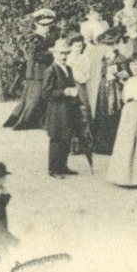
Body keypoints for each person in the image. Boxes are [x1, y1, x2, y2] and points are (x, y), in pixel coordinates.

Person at [4, 8, 58, 131]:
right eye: (43, 25)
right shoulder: (34, 38)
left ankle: (40, 121)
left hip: (45, 70)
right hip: (36, 71)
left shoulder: (48, 37)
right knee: (34, 97)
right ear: (36, 25)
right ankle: (24, 121)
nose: (47, 27)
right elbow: (35, 56)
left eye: (49, 25)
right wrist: (52, 53)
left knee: (42, 96)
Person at [107, 58, 137, 188]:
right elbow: (124, 96)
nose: (135, 67)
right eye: (132, 64)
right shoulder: (129, 80)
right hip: (128, 111)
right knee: (126, 142)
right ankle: (124, 176)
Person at [44, 39, 82, 178]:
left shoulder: (69, 68)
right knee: (56, 139)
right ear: (54, 54)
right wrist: (64, 92)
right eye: (60, 53)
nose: (64, 56)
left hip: (68, 109)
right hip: (56, 111)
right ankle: (53, 169)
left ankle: (63, 166)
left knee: (66, 137)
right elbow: (46, 93)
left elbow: (72, 86)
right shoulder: (51, 70)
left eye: (66, 53)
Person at [91, 29, 129, 157]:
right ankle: (102, 145)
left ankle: (115, 145)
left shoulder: (121, 59)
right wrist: (105, 76)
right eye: (107, 45)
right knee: (102, 113)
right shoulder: (104, 58)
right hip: (104, 89)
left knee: (114, 113)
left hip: (116, 90)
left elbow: (126, 74)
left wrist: (116, 76)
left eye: (112, 44)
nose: (109, 47)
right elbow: (101, 72)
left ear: (116, 45)